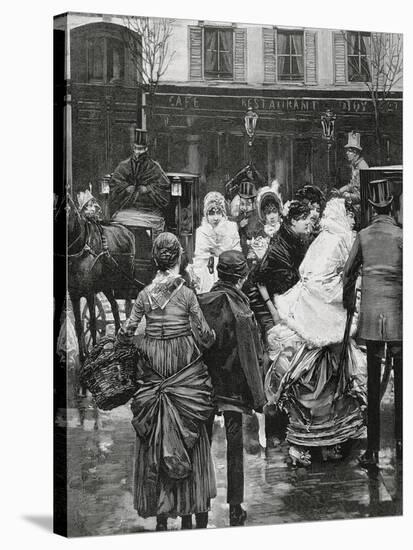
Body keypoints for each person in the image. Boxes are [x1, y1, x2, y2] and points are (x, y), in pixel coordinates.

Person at [115, 232, 216, 531]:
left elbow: (126, 332)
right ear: (180, 258)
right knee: (190, 436)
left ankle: (161, 514)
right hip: (185, 368)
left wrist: (148, 343)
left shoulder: (145, 295)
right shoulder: (186, 295)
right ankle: (189, 511)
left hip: (154, 366)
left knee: (156, 436)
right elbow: (206, 337)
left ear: (156, 261)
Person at [265, 198, 367, 466]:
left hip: (315, 310)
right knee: (325, 379)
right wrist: (343, 295)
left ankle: (318, 442)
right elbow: (333, 277)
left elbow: (308, 273)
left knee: (320, 378)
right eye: (350, 215)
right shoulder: (338, 240)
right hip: (323, 312)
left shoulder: (324, 238)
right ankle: (317, 442)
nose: (353, 220)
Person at [198, 251, 265, 527]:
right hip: (233, 389)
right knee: (234, 448)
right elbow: (250, 357)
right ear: (241, 278)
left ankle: (200, 503)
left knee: (202, 445)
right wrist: (259, 397)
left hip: (206, 385)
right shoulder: (242, 309)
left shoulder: (203, 302)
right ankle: (235, 506)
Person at [343, 179, 402, 469]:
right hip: (400, 316)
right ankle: (403, 445)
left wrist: (348, 304)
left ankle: (373, 451)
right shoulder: (403, 236)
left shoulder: (364, 236)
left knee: (374, 385)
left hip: (370, 315)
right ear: (392, 206)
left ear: (371, 207)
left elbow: (347, 273)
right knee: (404, 382)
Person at [251, 201, 311, 447]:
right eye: (305, 218)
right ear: (292, 221)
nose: (309, 222)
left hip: (285, 298)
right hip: (265, 301)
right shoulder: (278, 245)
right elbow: (259, 280)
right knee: (275, 348)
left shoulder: (298, 240)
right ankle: (272, 409)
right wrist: (273, 313)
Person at [109, 128, 171, 221]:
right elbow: (115, 184)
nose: (138, 152)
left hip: (149, 209)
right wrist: (126, 188)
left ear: (146, 149)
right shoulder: (123, 165)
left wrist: (148, 189)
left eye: (141, 149)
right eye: (136, 148)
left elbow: (164, 186)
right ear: (133, 148)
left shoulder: (154, 167)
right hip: (127, 207)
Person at [192, 191, 241, 293]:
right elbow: (199, 259)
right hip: (207, 278)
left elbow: (238, 256)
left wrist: (222, 254)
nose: (215, 217)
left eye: (218, 212)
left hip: (228, 277)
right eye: (211, 213)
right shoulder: (201, 232)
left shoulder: (231, 228)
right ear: (206, 214)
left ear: (223, 213)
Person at [336, 131, 369, 203]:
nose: (346, 153)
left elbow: (364, 193)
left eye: (349, 151)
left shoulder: (362, 166)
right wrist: (342, 189)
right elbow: (353, 184)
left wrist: (349, 195)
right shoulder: (354, 165)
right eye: (347, 151)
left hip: (363, 202)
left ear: (356, 153)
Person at [236, 180, 262, 263]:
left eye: (248, 204)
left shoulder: (256, 217)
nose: (244, 207)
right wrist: (239, 225)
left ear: (253, 203)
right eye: (242, 204)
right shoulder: (241, 215)